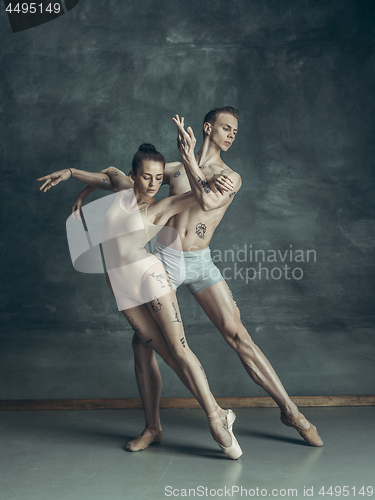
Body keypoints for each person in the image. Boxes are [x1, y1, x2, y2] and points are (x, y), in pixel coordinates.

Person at [73, 108, 324, 450]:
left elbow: (205, 201)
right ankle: (152, 428)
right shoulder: (173, 170)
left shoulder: (229, 176)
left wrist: (188, 157)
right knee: (142, 342)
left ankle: (291, 412)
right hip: (164, 260)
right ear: (209, 128)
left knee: (239, 336)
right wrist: (84, 189)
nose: (232, 134)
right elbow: (126, 180)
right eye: (226, 127)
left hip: (200, 261)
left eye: (235, 130)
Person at [37, 143, 242, 460]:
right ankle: (155, 428)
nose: (151, 184)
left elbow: (204, 198)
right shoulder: (122, 190)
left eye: (157, 178)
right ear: (133, 175)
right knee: (162, 352)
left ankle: (217, 417)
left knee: (178, 348)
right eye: (145, 177)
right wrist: (74, 178)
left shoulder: (162, 207)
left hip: (150, 277)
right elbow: (108, 173)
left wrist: (217, 183)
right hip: (121, 286)